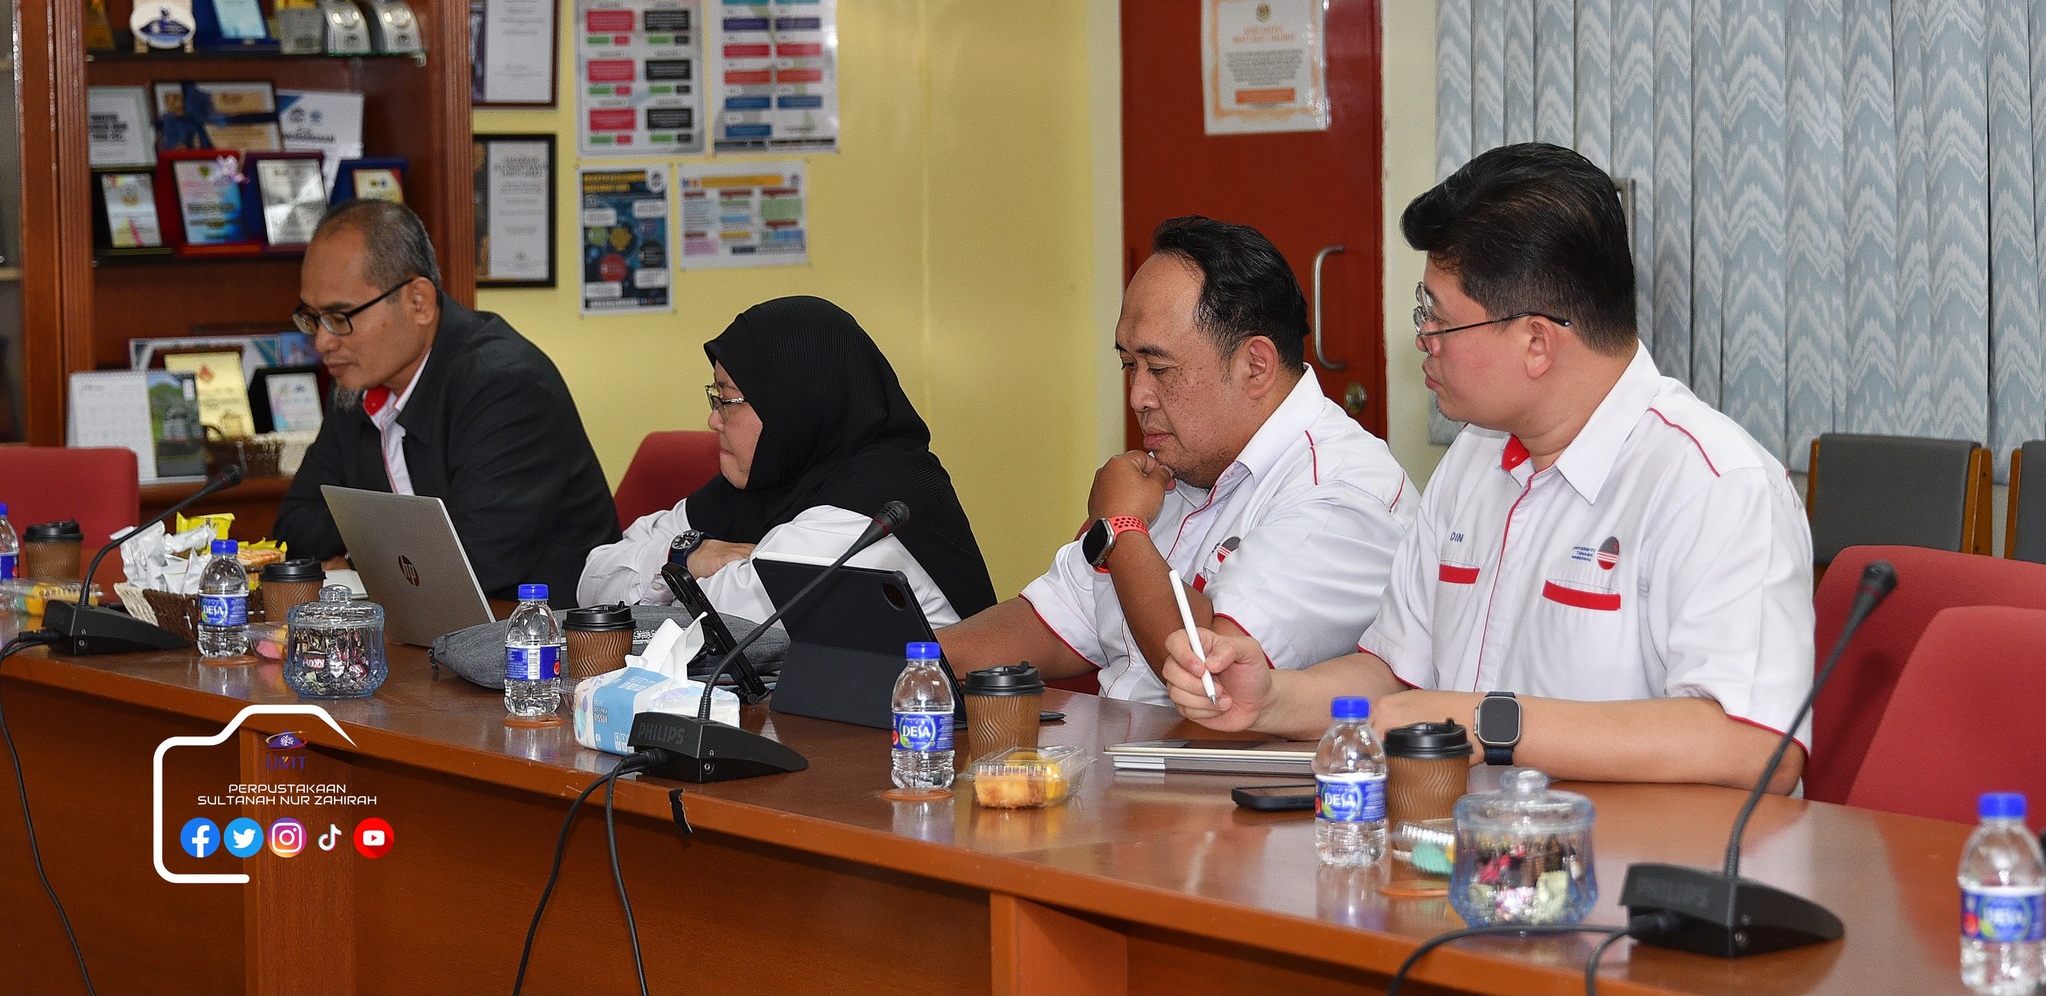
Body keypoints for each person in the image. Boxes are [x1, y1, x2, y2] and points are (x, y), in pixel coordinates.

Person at [1163, 143, 1817, 792]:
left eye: (1439, 319)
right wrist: (1272, 698)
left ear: (1537, 341)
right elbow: (1398, 679)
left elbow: (1758, 745)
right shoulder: (1474, 458)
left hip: (1619, 854)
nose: (1422, 338)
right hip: (1463, 840)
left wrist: (1491, 721)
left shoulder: (1714, 483)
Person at [939, 216, 1418, 705]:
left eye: (1161, 369)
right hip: (1124, 745)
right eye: (1130, 365)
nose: (1138, 397)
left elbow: (1218, 683)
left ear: (1255, 366)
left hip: (1221, 755)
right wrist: (918, 660)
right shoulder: (1180, 466)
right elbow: (1052, 623)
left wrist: (1121, 529)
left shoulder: (1341, 494)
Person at [577, 296, 999, 626]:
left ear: (794, 403)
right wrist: (685, 554)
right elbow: (593, 578)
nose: (713, 419)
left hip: (931, 712)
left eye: (727, 401)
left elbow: (728, 617)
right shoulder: (760, 481)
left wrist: (670, 571)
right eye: (715, 397)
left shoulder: (878, 503)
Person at [273, 201, 618, 602]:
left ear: (418, 302)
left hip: (545, 632)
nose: (322, 342)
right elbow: (293, 528)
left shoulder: (506, 385)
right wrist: (389, 546)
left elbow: (471, 566)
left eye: (339, 317)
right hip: (427, 627)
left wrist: (352, 558)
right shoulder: (354, 386)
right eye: (312, 318)